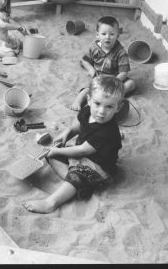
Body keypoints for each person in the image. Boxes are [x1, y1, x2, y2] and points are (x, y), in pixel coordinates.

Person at [23, 75, 124, 214]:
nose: (101, 111)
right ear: (88, 100)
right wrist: (68, 132)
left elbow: (83, 151)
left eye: (109, 106)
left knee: (73, 169)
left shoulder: (107, 131)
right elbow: (81, 126)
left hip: (99, 167)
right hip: (80, 157)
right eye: (97, 104)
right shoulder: (88, 111)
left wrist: (58, 151)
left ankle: (51, 202)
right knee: (51, 155)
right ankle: (74, 185)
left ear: (118, 107)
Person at [70, 15, 135, 111]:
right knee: (88, 89)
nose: (107, 37)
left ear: (117, 35)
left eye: (112, 34)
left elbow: (124, 73)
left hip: (114, 80)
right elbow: (84, 60)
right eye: (103, 34)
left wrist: (114, 81)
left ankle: (116, 97)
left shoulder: (121, 52)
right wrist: (91, 70)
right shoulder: (94, 48)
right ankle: (77, 102)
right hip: (99, 78)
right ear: (97, 35)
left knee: (131, 84)